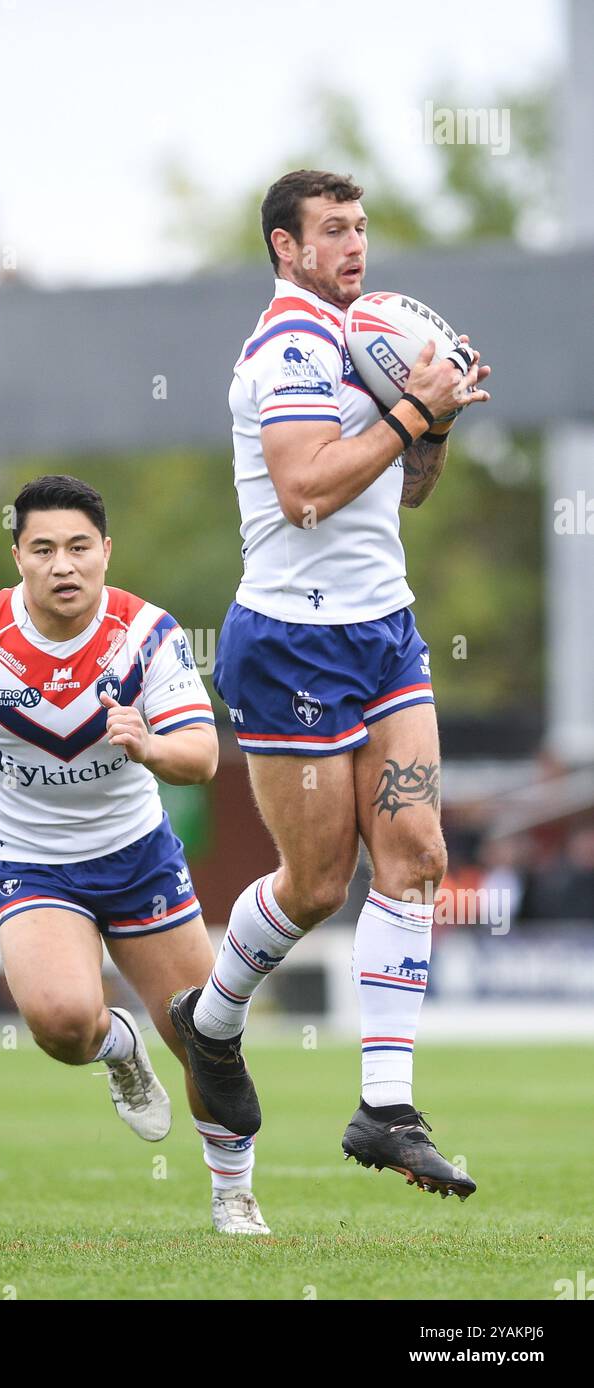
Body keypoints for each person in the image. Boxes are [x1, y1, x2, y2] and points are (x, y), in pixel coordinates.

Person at [170, 169, 490, 1201]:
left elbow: (409, 489)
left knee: (416, 856)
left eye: (360, 228)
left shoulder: (361, 335)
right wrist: (406, 415)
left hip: (382, 629)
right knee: (314, 884)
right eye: (332, 231)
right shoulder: (291, 344)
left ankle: (384, 1109)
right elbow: (305, 489)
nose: (353, 247)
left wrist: (430, 422)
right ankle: (208, 1018)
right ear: (284, 247)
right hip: (292, 642)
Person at [0, 473, 269, 1234]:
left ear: (106, 553)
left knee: (206, 1038)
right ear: (17, 557)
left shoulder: (147, 636)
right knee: (59, 1020)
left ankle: (233, 1195)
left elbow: (204, 755)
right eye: (43, 548)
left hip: (137, 856)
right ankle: (117, 1046)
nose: (63, 565)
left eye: (79, 547)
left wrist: (148, 744)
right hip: (29, 861)